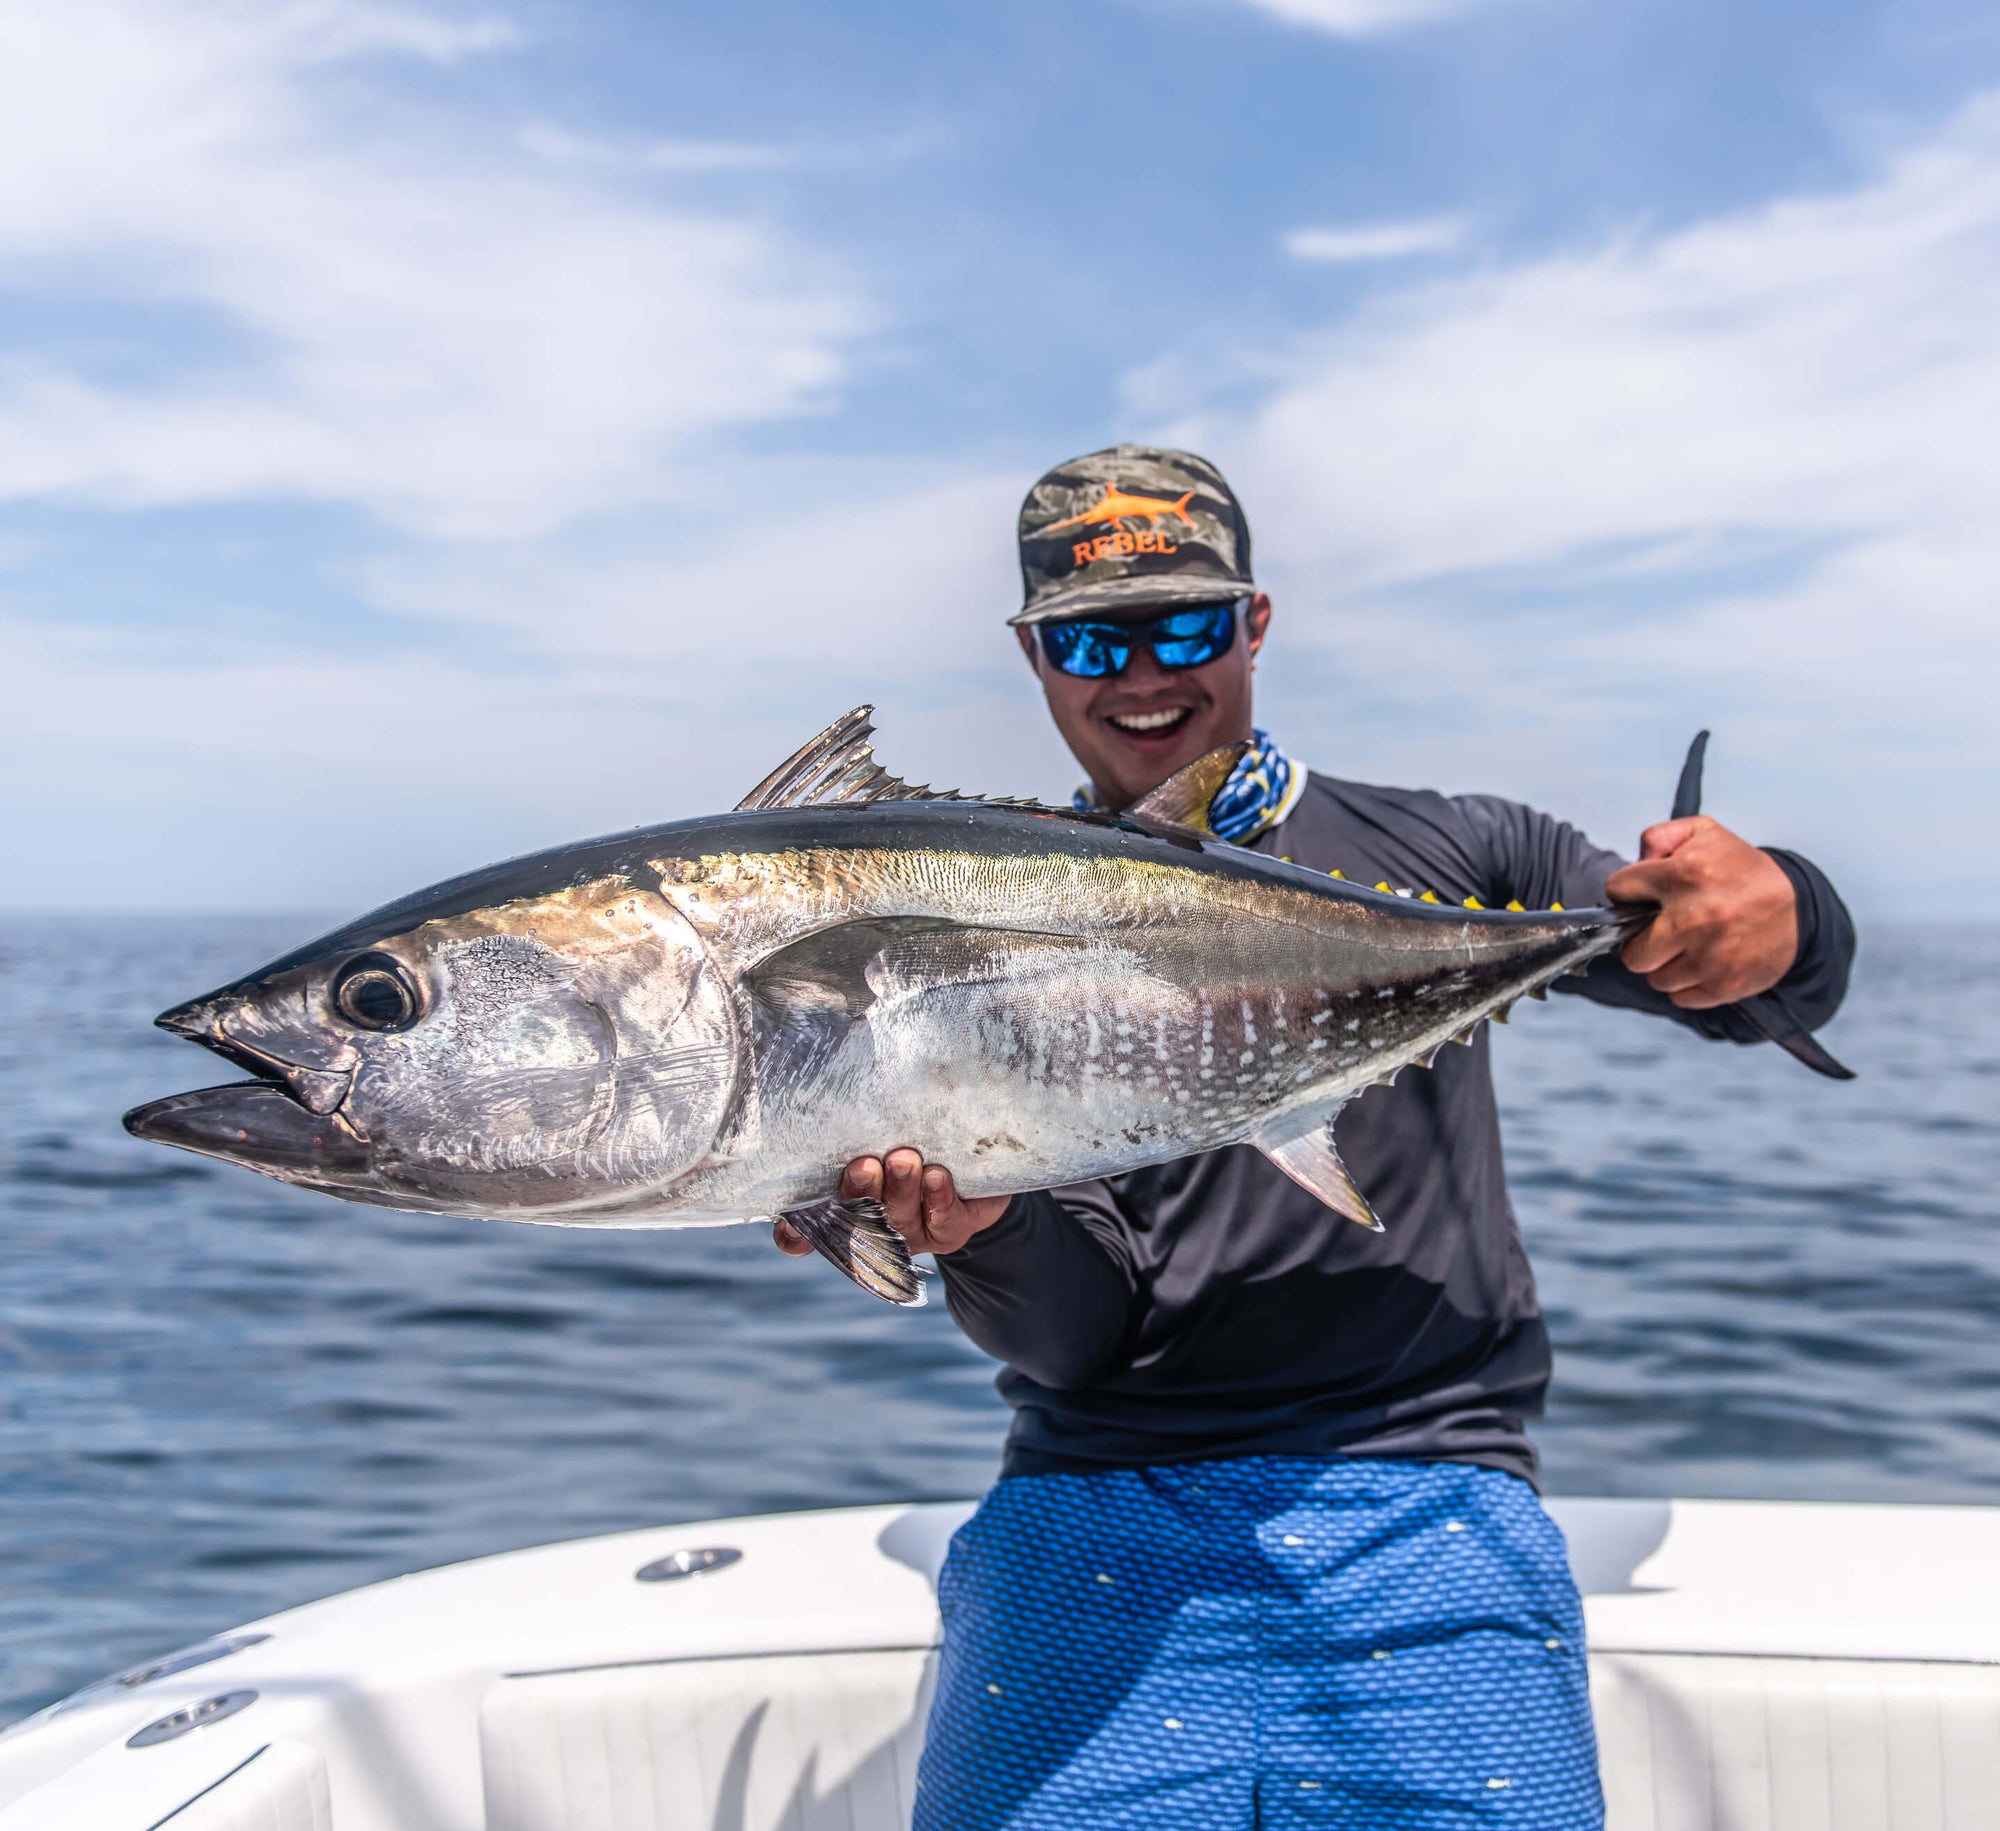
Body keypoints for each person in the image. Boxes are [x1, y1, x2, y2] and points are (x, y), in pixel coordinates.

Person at [774, 445, 1854, 1830]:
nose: (1144, 676)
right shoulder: (983, 926)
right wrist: (982, 1232)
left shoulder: (1462, 855)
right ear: (1035, 657)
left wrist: (1789, 906)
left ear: (1256, 623)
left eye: (1185, 626)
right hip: (1094, 1500)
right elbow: (1074, 1339)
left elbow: (1766, 989)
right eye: (1094, 638)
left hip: (1434, 1491)